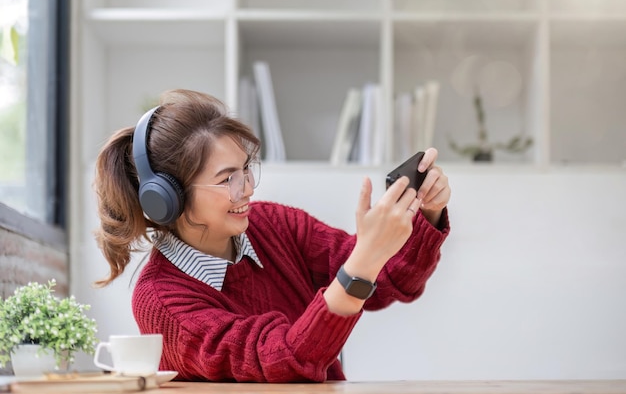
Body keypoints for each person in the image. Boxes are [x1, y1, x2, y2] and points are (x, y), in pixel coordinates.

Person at [93, 89, 451, 383]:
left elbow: (390, 281)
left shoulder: (273, 224)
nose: (247, 189)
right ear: (167, 199)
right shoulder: (162, 300)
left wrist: (426, 211)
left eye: (246, 170)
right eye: (227, 179)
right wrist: (366, 258)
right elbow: (284, 362)